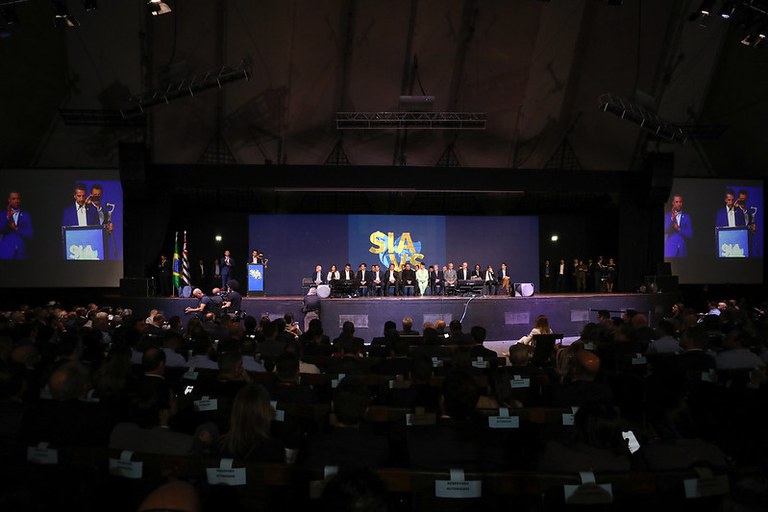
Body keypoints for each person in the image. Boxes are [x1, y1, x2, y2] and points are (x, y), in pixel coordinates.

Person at [0, 190, 33, 260]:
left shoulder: (26, 215)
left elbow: (30, 234)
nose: (16, 201)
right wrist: (7, 218)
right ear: (9, 200)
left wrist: (17, 228)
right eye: (13, 199)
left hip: (21, 253)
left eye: (18, 198)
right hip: (6, 253)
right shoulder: (3, 214)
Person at [736, 189, 760, 257]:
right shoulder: (735, 210)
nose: (743, 201)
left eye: (744, 199)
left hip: (748, 238)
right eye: (741, 199)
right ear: (738, 199)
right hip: (738, 238)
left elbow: (751, 223)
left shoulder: (749, 210)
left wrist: (753, 227)